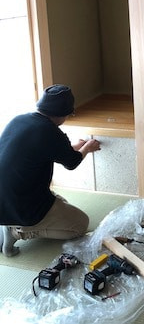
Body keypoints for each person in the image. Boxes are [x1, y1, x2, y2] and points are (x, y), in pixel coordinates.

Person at [0, 84, 101, 257]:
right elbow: (72, 162)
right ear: (64, 114)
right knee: (80, 224)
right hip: (23, 205)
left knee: (62, 203)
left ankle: (10, 221)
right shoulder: (51, 132)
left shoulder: (20, 120)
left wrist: (76, 147)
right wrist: (88, 148)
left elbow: (51, 151)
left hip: (7, 197)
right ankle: (17, 231)